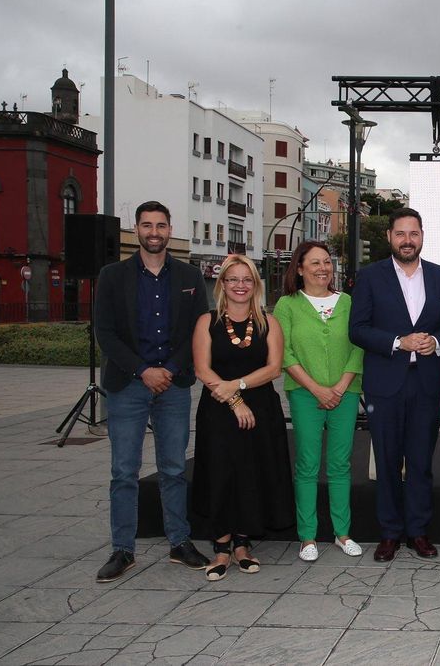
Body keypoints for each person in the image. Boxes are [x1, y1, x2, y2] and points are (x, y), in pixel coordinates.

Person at [93, 201, 211, 583]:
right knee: (124, 471)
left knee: (174, 468)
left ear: (169, 227)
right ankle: (122, 550)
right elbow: (105, 334)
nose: (154, 232)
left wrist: (170, 369)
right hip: (128, 384)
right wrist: (144, 370)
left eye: (161, 225)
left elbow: (199, 330)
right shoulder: (112, 276)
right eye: (147, 225)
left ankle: (180, 542)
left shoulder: (189, 276)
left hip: (173, 385)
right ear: (137, 229)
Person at [350, 207, 440, 563]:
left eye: (414, 234)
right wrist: (399, 341)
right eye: (401, 234)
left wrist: (435, 342)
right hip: (385, 386)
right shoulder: (369, 277)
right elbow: (358, 329)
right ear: (389, 237)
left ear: (422, 236)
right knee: (387, 459)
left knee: (421, 462)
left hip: (426, 384)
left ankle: (418, 531)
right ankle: (390, 533)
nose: (407, 240)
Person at [191, 254, 293, 581]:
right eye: (232, 279)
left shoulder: (269, 323)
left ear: (255, 285)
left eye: (246, 280)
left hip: (261, 409)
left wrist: (239, 385)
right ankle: (220, 547)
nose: (240, 285)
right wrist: (235, 399)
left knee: (251, 473)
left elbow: (274, 368)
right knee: (220, 472)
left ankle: (242, 545)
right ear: (222, 284)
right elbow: (202, 369)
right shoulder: (206, 322)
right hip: (218, 410)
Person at [273, 240, 365, 562]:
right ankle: (307, 536)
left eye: (327, 262)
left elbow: (359, 346)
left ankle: (343, 533)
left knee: (340, 464)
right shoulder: (287, 305)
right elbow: (284, 353)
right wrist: (316, 388)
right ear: (299, 268)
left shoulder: (349, 302)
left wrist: (339, 388)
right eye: (314, 263)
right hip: (304, 394)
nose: (323, 268)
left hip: (346, 393)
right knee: (308, 465)